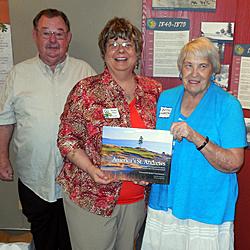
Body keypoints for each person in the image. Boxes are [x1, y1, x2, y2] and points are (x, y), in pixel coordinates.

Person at [56, 17, 162, 250]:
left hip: (135, 200)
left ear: (138, 52)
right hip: (91, 197)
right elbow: (66, 138)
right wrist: (92, 169)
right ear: (103, 53)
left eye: (127, 44)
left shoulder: (153, 91)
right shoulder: (86, 90)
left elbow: (158, 142)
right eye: (113, 44)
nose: (120, 50)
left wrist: (151, 170)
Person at [0, 8, 96, 250]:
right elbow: (5, 119)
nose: (53, 40)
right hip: (33, 177)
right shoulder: (18, 74)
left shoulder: (84, 72)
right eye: (46, 33)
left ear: (69, 37)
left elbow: (99, 123)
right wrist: (2, 157)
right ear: (35, 35)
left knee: (72, 238)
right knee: (42, 236)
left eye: (59, 33)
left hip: (75, 179)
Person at [141, 37, 247, 250]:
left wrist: (195, 136)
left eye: (202, 66)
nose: (194, 74)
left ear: (213, 71)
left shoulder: (228, 106)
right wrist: (143, 171)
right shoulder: (166, 99)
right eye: (188, 65)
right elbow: (156, 149)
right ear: (180, 69)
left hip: (205, 210)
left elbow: (235, 162)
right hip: (164, 206)